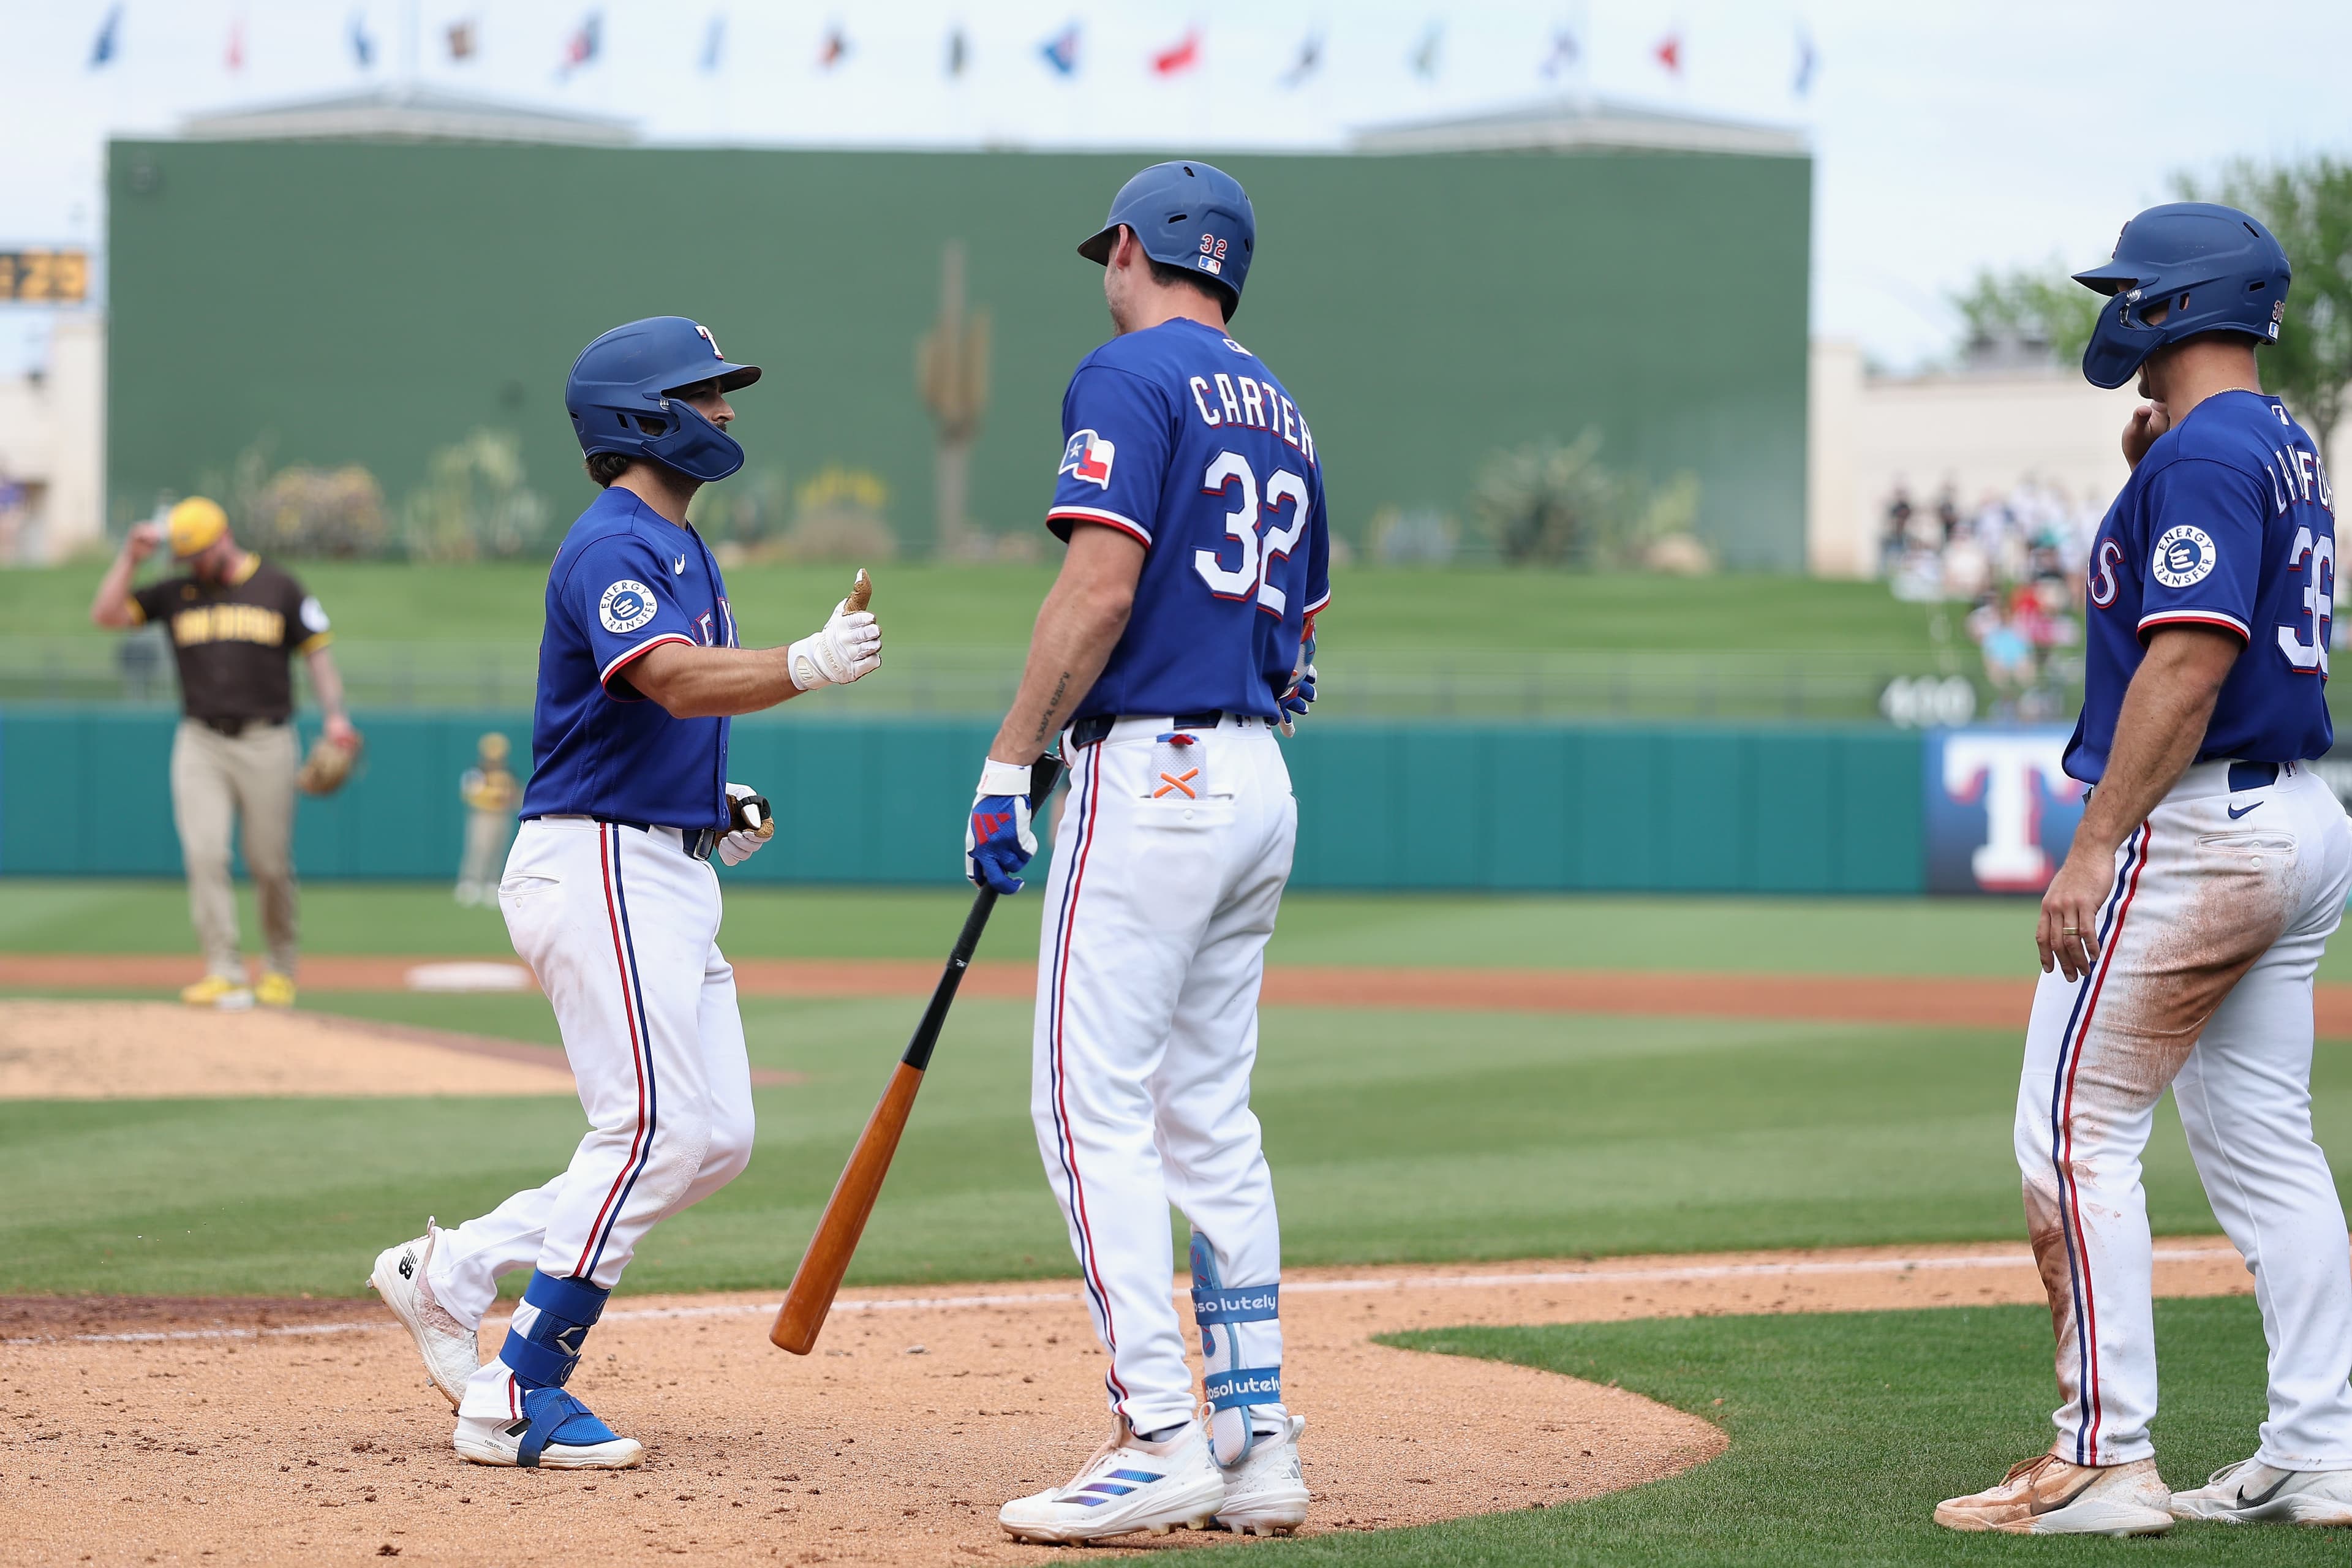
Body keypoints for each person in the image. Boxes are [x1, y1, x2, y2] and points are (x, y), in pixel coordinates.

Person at [366, 317, 884, 1469]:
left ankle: (448, 1272)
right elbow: (667, 677)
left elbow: (655, 717)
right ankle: (517, 1391)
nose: (729, 413)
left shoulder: (681, 547)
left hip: (652, 860)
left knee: (713, 1140)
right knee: (651, 1127)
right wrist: (806, 663)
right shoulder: (612, 545)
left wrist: (713, 804)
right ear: (644, 415)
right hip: (596, 860)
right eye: (707, 395)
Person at [1937, 203, 2352, 1535]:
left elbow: (2188, 655)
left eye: (2131, 286)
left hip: (2196, 830)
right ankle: (2324, 1446)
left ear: (2180, 303)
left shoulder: (2212, 452)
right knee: (2267, 1148)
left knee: (2071, 1131)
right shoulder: (2270, 437)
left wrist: (2100, 839)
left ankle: (2106, 1458)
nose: (2114, 306)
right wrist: (2146, 464)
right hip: (2294, 814)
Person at [963, 161, 1326, 1545]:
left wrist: (1014, 755)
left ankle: (1158, 1430)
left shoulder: (1126, 373)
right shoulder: (1281, 403)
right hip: (1255, 769)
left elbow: (1098, 582)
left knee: (1085, 1104)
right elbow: (1300, 637)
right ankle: (1253, 1436)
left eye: (1102, 254)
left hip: (1158, 768)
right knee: (1209, 1113)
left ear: (1131, 248)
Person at [88, 495, 356, 1009]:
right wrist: (129, 559)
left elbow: (318, 653)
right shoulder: (176, 592)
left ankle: (279, 967)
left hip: (266, 739)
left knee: (270, 863)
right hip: (200, 741)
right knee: (205, 854)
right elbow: (106, 616)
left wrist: (336, 716)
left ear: (221, 541)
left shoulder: (279, 585)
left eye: (195, 556)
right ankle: (223, 968)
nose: (190, 567)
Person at [454, 731, 520, 905]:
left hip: (502, 815)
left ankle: (493, 883)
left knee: (498, 850)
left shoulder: (508, 772)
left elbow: (517, 794)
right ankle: (470, 883)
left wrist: (509, 798)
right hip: (482, 814)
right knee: (479, 848)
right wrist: (493, 796)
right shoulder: (477, 771)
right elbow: (470, 792)